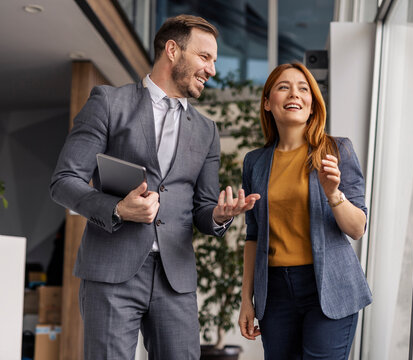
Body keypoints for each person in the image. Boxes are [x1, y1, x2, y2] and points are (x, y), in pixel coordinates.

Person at [50, 15, 259, 360]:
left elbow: (204, 209)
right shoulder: (108, 102)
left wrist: (220, 215)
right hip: (111, 272)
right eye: (205, 57)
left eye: (215, 61)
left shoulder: (207, 130)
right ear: (172, 50)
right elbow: (64, 182)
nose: (213, 70)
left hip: (174, 279)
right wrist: (117, 209)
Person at [238, 63, 372, 360]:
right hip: (275, 294)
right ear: (267, 102)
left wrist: (333, 193)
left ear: (313, 104)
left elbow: (357, 228)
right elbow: (254, 235)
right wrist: (246, 299)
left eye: (303, 88)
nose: (294, 94)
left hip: (329, 287)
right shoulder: (255, 162)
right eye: (283, 87)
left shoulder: (337, 151)